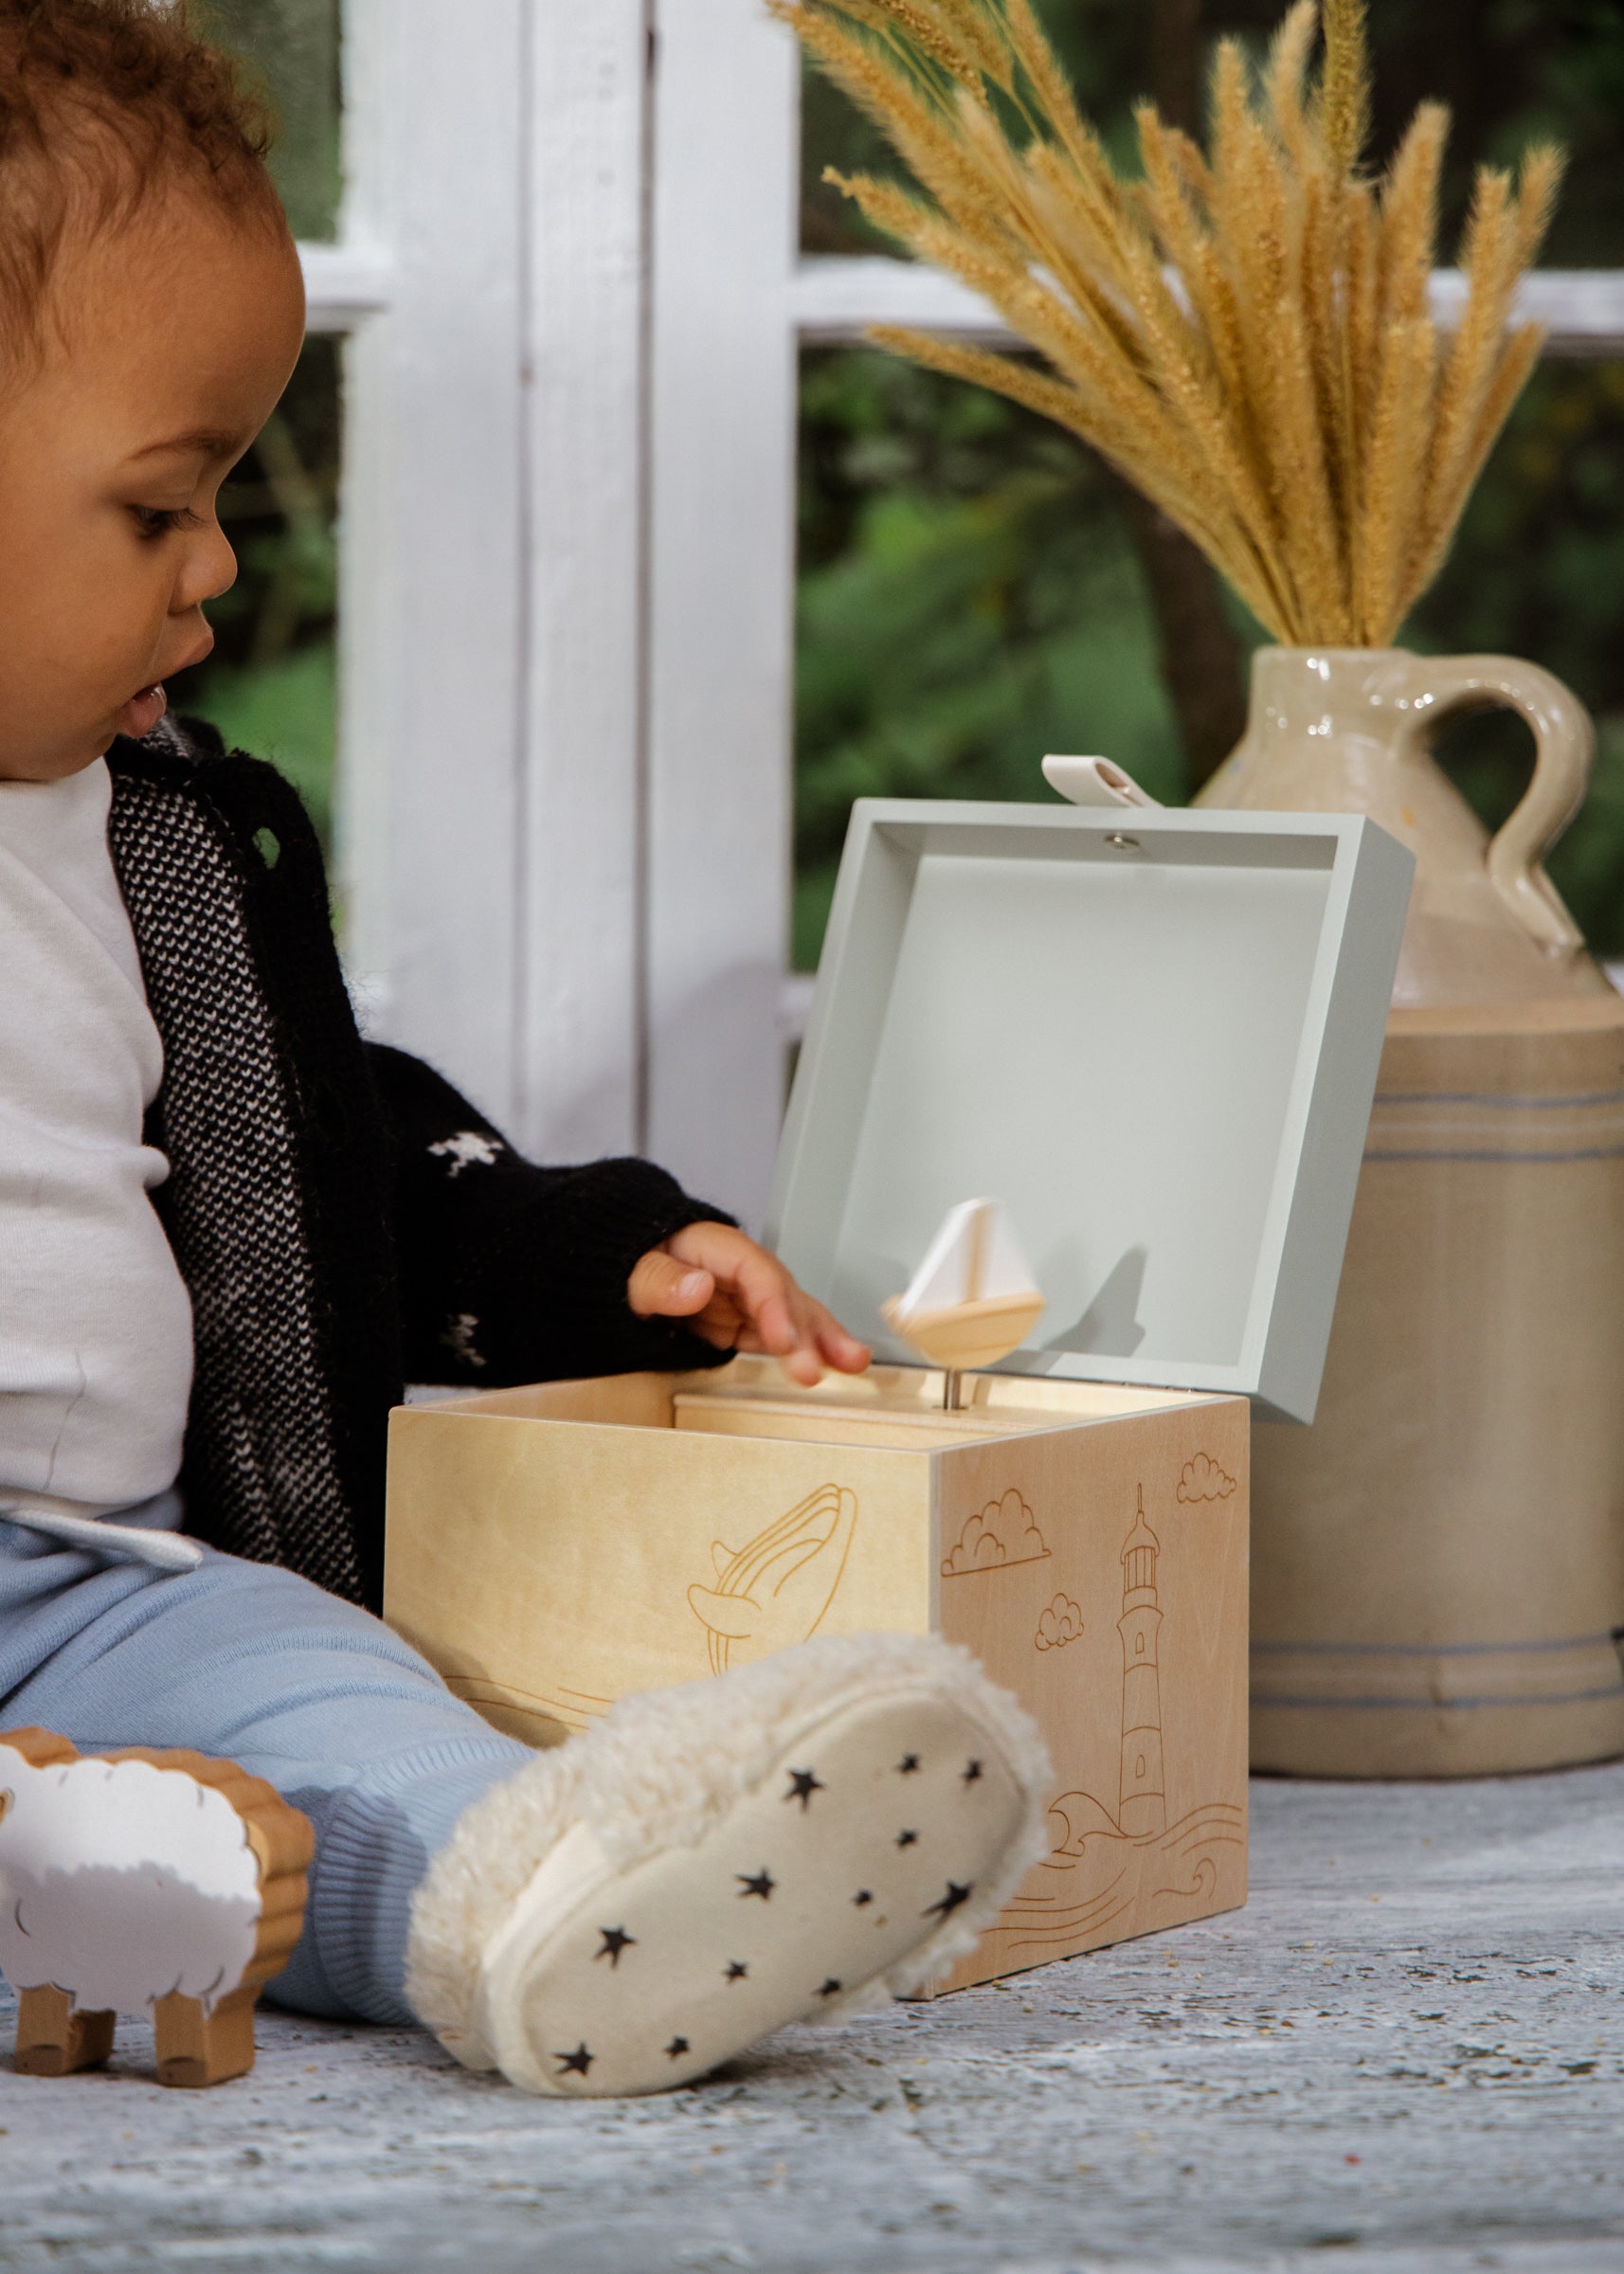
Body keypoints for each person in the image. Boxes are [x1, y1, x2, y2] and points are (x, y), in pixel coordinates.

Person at [0, 0, 1047, 2096]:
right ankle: (81, 1878)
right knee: (184, 1793)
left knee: (324, 1683)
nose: (215, 566)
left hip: (97, 1585)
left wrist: (595, 1256)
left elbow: (327, 1163)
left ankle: (560, 1894)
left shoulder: (156, 847)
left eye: (221, 499)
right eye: (155, 509)